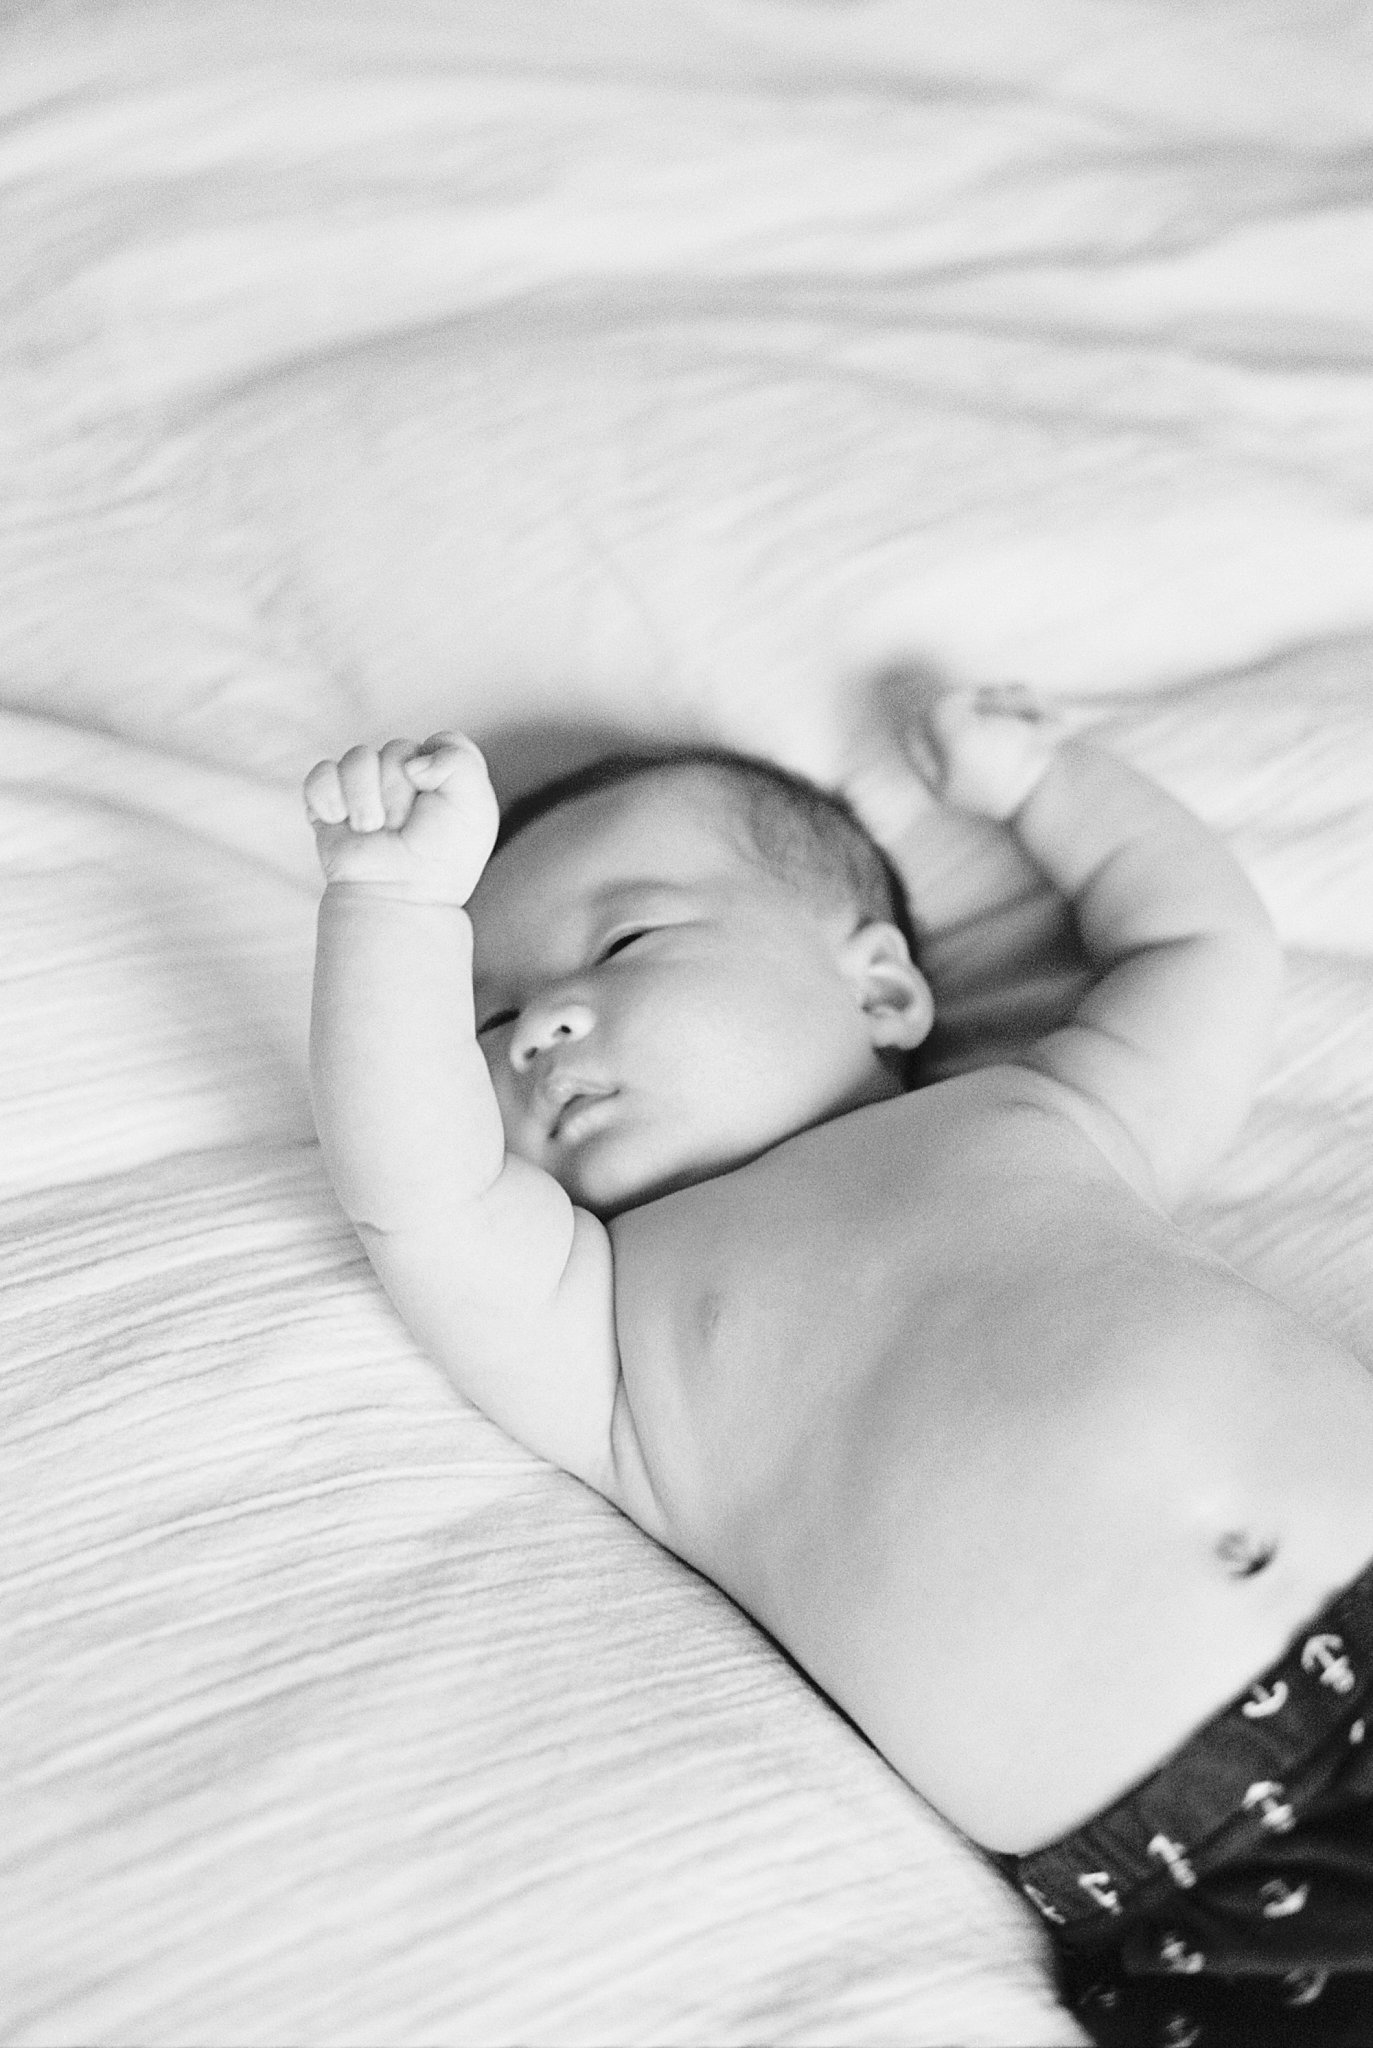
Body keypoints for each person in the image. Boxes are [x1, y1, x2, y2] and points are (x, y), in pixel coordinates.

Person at [304, 683, 1373, 2045]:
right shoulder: (597, 1319)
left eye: (623, 941)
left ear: (877, 983)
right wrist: (390, 915)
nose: (535, 1030)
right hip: (1208, 1881)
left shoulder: (1037, 1109)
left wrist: (1044, 782)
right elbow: (419, 1194)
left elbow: (1200, 942)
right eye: (483, 1019)